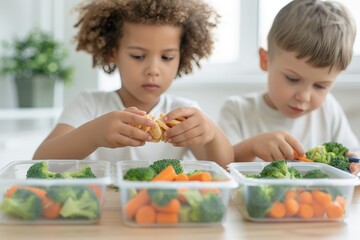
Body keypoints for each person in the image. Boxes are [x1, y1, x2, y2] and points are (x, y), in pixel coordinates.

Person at [33, 0, 233, 169]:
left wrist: (212, 134)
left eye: (167, 57)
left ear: (182, 56)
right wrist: (93, 134)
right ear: (113, 53)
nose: (153, 69)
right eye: (138, 56)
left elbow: (224, 169)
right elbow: (40, 161)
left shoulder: (185, 113)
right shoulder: (89, 104)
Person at [218, 0, 360, 173]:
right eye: (292, 79)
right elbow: (221, 167)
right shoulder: (236, 110)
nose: (304, 97)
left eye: (320, 86)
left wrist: (354, 164)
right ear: (265, 60)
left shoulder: (329, 110)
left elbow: (354, 157)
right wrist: (251, 147)